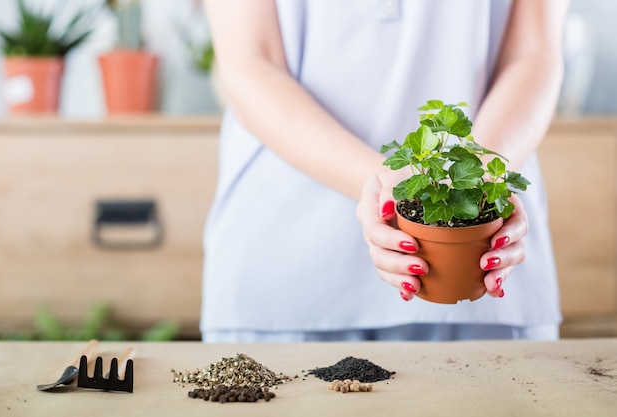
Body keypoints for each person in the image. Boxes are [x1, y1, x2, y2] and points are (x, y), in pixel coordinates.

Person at [200, 0, 567, 342]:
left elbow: (533, 53)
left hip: (479, 276)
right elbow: (249, 60)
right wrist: (380, 181)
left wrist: (483, 175)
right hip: (283, 270)